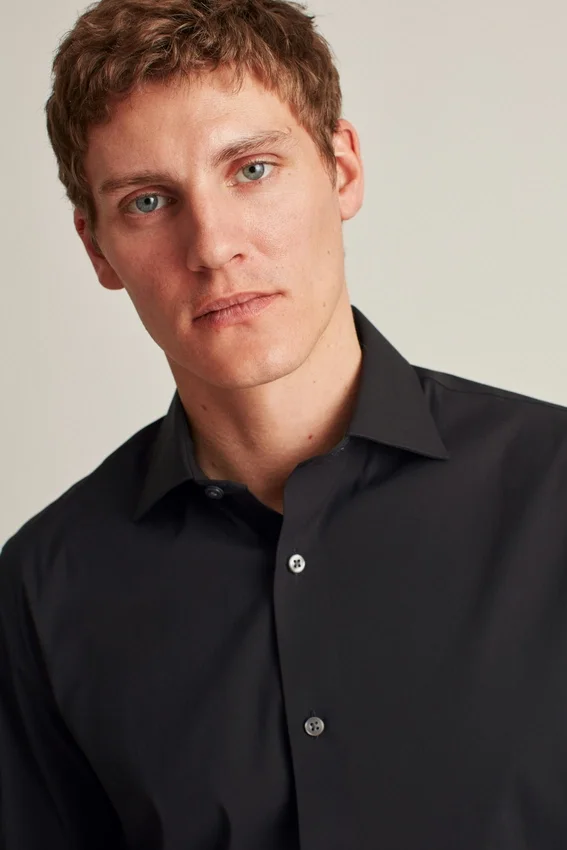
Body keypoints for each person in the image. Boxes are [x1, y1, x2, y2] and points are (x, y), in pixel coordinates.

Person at [1, 0, 567, 847]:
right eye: (148, 200)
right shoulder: (45, 590)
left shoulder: (554, 492)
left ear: (341, 170)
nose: (212, 246)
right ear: (96, 248)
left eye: (252, 169)